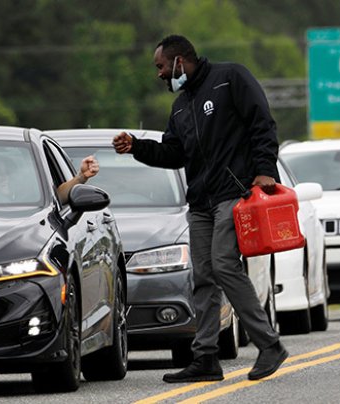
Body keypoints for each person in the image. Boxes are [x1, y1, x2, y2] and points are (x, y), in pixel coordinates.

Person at [112, 34, 288, 383]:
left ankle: (269, 344)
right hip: (201, 202)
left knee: (224, 265)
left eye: (161, 66)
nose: (159, 74)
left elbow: (262, 124)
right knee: (203, 277)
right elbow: (173, 153)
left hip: (234, 194)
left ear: (179, 61)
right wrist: (137, 147)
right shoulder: (180, 106)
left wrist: (265, 169)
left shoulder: (230, 78)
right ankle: (206, 358)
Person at [0, 152, 99, 204]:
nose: (5, 178)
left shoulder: (29, 203)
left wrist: (81, 177)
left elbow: (56, 200)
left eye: (6, 173)